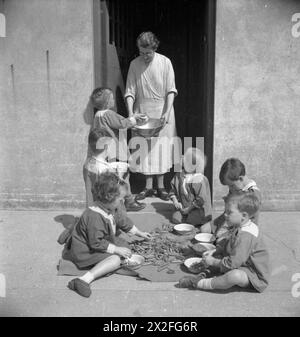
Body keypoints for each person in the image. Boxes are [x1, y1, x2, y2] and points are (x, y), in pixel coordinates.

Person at [65, 172, 152, 298]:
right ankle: (84, 280)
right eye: (120, 199)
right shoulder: (94, 216)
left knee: (124, 246)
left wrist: (139, 232)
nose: (122, 201)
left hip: (97, 242)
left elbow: (122, 220)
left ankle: (109, 263)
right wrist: (116, 250)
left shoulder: (110, 207)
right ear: (108, 196)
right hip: (86, 250)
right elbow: (95, 243)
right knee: (116, 259)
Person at [125, 31, 179, 201]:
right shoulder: (134, 64)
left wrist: (166, 112)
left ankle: (161, 187)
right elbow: (130, 91)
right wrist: (131, 113)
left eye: (148, 53)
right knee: (145, 149)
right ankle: (148, 187)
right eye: (141, 52)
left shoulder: (165, 62)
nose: (145, 56)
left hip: (163, 109)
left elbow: (171, 89)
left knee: (161, 149)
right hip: (143, 111)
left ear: (154, 48)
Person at [178, 193, 270, 293]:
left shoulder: (246, 236)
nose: (225, 215)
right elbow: (228, 241)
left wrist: (213, 261)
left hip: (252, 274)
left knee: (234, 276)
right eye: (225, 211)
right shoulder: (240, 224)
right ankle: (203, 275)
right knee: (218, 257)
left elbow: (233, 263)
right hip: (240, 263)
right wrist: (215, 250)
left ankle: (199, 283)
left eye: (229, 212)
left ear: (244, 215)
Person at [89, 87, 146, 211]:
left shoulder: (97, 115)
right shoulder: (108, 114)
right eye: (112, 98)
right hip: (114, 151)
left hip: (105, 152)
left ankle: (117, 201)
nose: (114, 99)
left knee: (113, 178)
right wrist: (134, 119)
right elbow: (122, 123)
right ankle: (128, 201)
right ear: (107, 101)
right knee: (123, 176)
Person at [213, 158, 262, 243]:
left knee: (218, 241)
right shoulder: (236, 188)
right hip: (231, 225)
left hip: (242, 234)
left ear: (241, 179)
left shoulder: (253, 194)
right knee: (206, 230)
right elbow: (227, 214)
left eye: (231, 186)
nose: (230, 189)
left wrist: (226, 235)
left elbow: (248, 224)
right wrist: (214, 224)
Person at [169, 147, 212, 232]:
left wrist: (189, 209)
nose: (181, 158)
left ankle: (203, 224)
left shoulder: (199, 179)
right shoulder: (179, 175)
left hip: (198, 208)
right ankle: (189, 220)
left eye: (184, 158)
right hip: (184, 207)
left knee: (193, 221)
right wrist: (176, 202)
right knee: (175, 218)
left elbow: (201, 200)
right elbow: (172, 190)